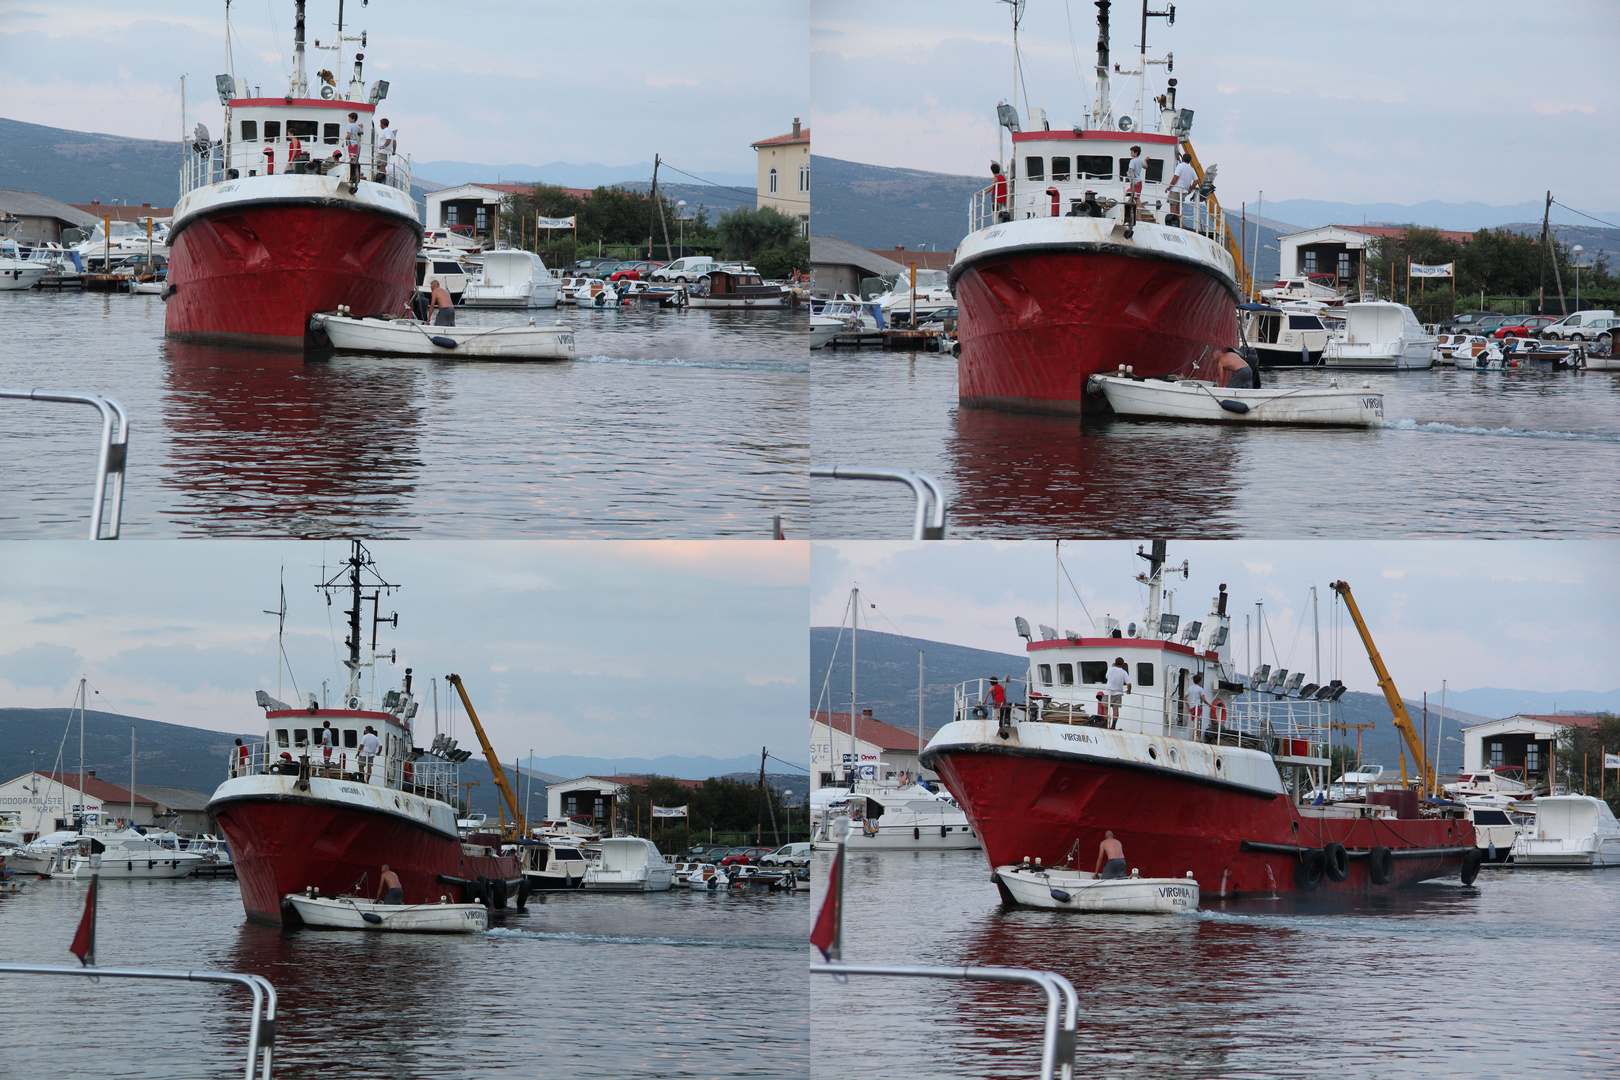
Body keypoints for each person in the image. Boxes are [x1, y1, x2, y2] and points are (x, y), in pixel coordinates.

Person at [1167, 152, 1196, 227]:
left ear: (1182, 158)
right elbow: (1196, 180)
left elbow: (1176, 177)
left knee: (1173, 206)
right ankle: (1179, 222)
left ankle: (1174, 223)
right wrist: (1190, 189)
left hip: (1176, 189)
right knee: (1179, 207)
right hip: (1184, 191)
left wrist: (1169, 187)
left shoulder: (1180, 166)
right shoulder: (1191, 169)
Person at [1123, 146, 1145, 235]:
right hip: (1138, 181)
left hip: (1135, 182)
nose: (1131, 153)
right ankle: (1136, 215)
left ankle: (1138, 217)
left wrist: (1128, 178)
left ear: (1135, 153)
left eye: (1131, 152)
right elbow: (1145, 166)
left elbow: (1131, 170)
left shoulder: (1132, 161)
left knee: (1136, 198)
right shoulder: (1140, 161)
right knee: (1132, 197)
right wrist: (1146, 160)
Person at [1104, 657, 1131, 727]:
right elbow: (1129, 684)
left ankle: (1106, 723)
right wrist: (1129, 690)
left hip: (1108, 691)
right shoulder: (1124, 672)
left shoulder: (1110, 669)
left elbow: (1107, 677)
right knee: (1115, 709)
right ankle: (1113, 725)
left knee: (1106, 707)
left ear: (1115, 663)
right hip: (1118, 693)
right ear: (1122, 664)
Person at [344, 111, 364, 192]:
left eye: (349, 118)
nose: (349, 119)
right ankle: (357, 173)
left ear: (353, 119)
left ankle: (353, 175)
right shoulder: (357, 126)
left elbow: (349, 135)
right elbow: (361, 132)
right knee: (356, 160)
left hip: (351, 144)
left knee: (352, 160)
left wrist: (344, 142)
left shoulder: (350, 125)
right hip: (357, 145)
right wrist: (361, 127)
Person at [375, 118, 395, 183]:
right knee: (383, 165)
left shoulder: (386, 131)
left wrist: (383, 146)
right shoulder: (390, 132)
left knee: (382, 165)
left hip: (383, 152)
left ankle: (381, 180)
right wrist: (393, 151)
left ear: (382, 124)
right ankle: (382, 179)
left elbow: (388, 140)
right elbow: (394, 141)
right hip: (386, 151)